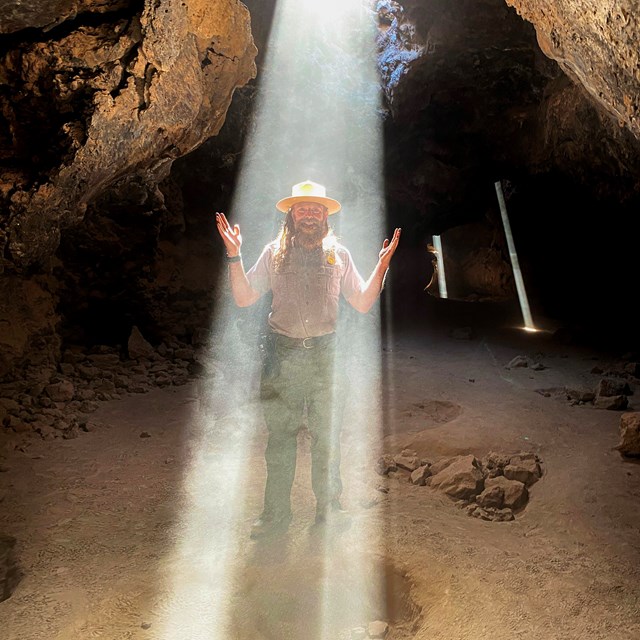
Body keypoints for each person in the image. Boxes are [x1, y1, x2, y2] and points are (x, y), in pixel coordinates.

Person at [215, 180, 400, 538]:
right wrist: (234, 255)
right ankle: (274, 518)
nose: (311, 214)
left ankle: (329, 512)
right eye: (303, 208)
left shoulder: (339, 256)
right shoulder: (273, 253)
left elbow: (362, 302)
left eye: (317, 208)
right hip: (282, 356)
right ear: (292, 215)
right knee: (280, 439)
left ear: (326, 215)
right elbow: (244, 297)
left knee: (326, 439)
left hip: (325, 358)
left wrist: (381, 266)